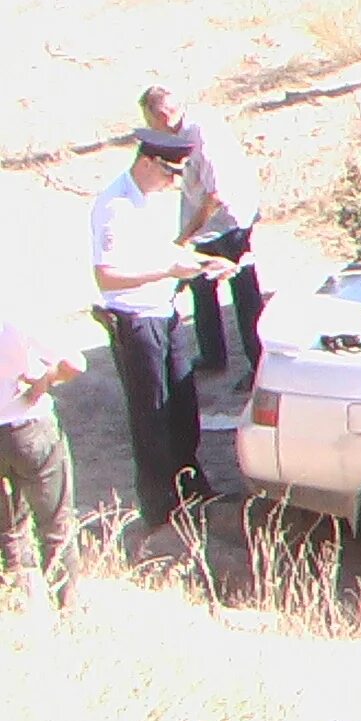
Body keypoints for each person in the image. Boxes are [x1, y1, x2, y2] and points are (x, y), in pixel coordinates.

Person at [90, 127, 233, 535]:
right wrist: (168, 270)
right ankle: (159, 506)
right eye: (169, 172)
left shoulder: (153, 199)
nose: (174, 181)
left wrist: (204, 264)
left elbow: (166, 249)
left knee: (182, 407)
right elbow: (108, 277)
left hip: (165, 312)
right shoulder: (115, 205)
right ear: (148, 161)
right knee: (152, 413)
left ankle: (191, 489)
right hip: (136, 319)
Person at [137, 86, 264, 380]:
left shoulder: (202, 134)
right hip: (206, 223)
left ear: (163, 115)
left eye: (150, 120)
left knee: (244, 294)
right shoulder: (181, 132)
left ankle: (258, 366)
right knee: (200, 284)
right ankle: (212, 355)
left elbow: (216, 195)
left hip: (230, 221)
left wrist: (186, 236)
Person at [0, 316, 84, 606]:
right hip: (27, 424)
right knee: (55, 526)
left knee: (8, 528)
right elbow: (75, 363)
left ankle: (18, 602)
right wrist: (46, 380)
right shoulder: (15, 313)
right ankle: (67, 610)